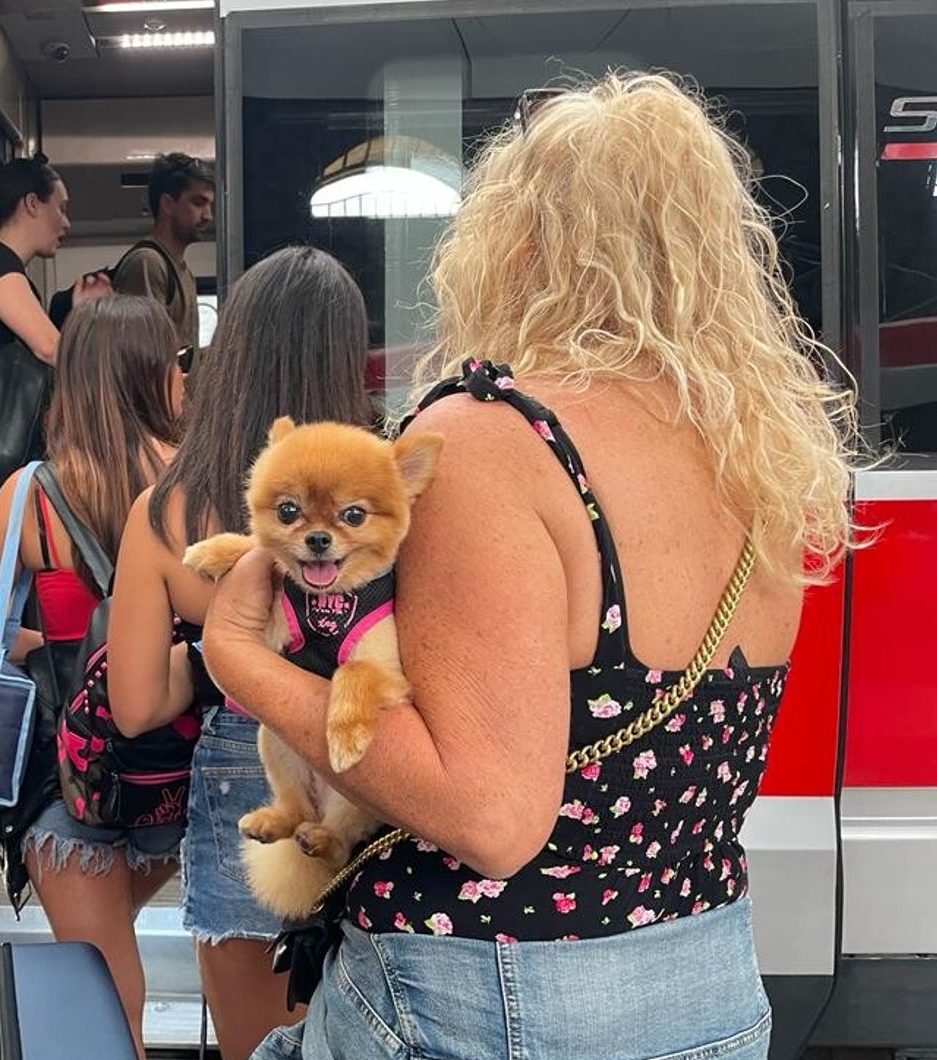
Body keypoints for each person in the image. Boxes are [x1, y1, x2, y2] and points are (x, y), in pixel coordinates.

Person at [200, 73, 861, 1060]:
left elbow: (491, 816)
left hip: (482, 998)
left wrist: (245, 664)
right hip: (707, 984)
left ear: (511, 243)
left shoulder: (492, 439)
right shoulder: (760, 459)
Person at [106, 247, 373, 1060]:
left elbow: (136, 704)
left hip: (247, 771)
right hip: (375, 762)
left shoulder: (163, 510)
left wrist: (213, 658)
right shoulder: (383, 495)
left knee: (256, 1045)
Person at [0, 295, 186, 1060]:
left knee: (109, 1003)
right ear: (156, 375)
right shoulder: (198, 487)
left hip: (72, 785)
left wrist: (38, 642)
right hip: (175, 773)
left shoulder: (32, 494)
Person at [0, 155, 111, 530]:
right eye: (61, 208)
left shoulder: (1, 266)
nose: (66, 222)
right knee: (4, 558)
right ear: (32, 203)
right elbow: (47, 347)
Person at [113, 152, 215, 351]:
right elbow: (146, 357)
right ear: (168, 204)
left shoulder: (184, 272)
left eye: (209, 205)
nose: (208, 216)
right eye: (198, 203)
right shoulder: (148, 264)